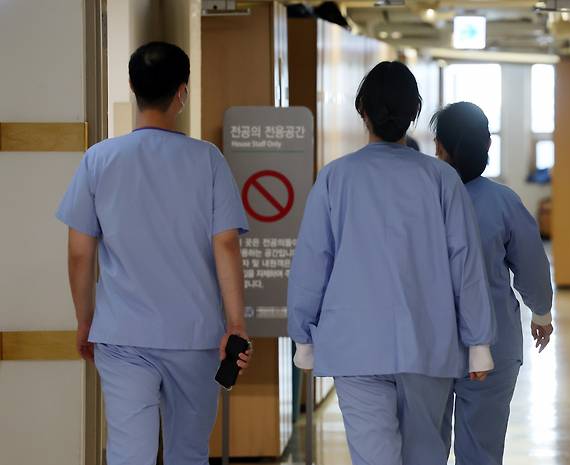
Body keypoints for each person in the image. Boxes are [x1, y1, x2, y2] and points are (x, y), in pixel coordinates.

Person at [287, 61, 496, 465]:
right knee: (425, 455)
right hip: (429, 344)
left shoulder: (334, 179)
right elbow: (464, 262)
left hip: (355, 346)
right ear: (413, 113)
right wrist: (478, 342)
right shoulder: (441, 180)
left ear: (362, 111)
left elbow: (313, 262)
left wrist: (303, 335)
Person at [56, 42, 251, 465]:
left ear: (131, 86)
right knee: (188, 451)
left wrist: (85, 320)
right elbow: (226, 244)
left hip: (123, 335)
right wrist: (236, 324)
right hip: (195, 336)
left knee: (130, 452)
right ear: (182, 92)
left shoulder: (98, 160)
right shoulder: (208, 161)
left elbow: (79, 253)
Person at [432, 102, 554, 465]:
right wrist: (542, 314)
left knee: (424, 447)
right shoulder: (504, 202)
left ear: (440, 148)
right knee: (481, 450)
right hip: (493, 343)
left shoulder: (422, 200)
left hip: (427, 344)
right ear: (487, 146)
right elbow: (532, 268)